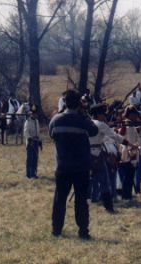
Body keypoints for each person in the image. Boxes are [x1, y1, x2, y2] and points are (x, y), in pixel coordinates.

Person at [49, 89, 98, 240]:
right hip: (81, 167)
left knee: (60, 200)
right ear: (79, 104)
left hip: (63, 166)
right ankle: (83, 231)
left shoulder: (56, 120)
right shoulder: (83, 121)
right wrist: (85, 115)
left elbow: (51, 134)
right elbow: (94, 131)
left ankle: (56, 229)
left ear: (65, 102)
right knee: (81, 201)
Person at [89, 104, 130, 211]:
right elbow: (115, 136)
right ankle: (108, 206)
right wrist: (128, 143)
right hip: (97, 154)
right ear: (98, 114)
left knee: (90, 179)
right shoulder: (101, 124)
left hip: (86, 154)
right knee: (104, 181)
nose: (105, 116)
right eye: (103, 114)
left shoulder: (87, 122)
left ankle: (92, 198)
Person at [116, 107, 141, 200]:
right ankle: (126, 196)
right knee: (128, 177)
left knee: (129, 176)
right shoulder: (126, 124)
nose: (136, 116)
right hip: (128, 153)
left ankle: (127, 195)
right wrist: (134, 146)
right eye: (135, 114)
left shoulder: (130, 124)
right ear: (131, 115)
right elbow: (123, 139)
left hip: (131, 151)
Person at [24, 104, 41, 179]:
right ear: (31, 113)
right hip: (30, 142)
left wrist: (39, 141)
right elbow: (25, 131)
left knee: (35, 158)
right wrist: (29, 138)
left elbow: (38, 131)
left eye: (35, 113)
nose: (34, 115)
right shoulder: (28, 121)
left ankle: (34, 173)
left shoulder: (37, 121)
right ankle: (29, 174)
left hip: (36, 141)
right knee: (30, 158)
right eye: (33, 113)